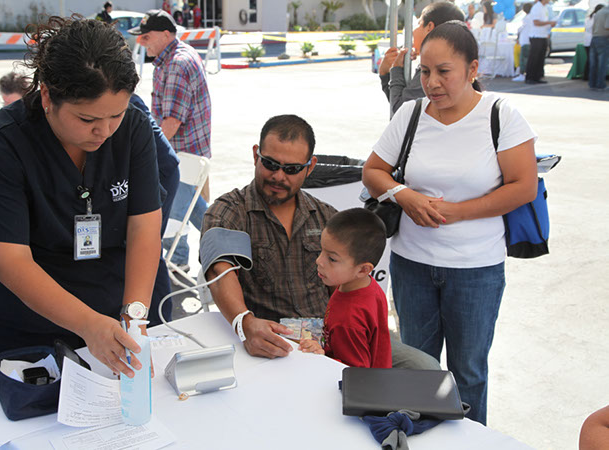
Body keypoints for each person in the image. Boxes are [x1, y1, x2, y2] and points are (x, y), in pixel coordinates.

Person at [0, 16, 165, 378]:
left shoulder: (132, 128)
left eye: (115, 114)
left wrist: (135, 316)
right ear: (47, 96)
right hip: (26, 318)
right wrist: (87, 324)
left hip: (116, 304)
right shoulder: (3, 141)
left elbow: (145, 228)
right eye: (86, 119)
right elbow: (11, 260)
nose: (103, 131)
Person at [362, 21, 538, 424]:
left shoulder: (502, 116)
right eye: (425, 71)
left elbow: (523, 187)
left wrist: (458, 211)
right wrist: (403, 195)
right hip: (413, 264)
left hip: (476, 270)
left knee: (469, 373)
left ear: (472, 69)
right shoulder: (410, 114)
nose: (432, 82)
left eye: (444, 71)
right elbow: (373, 171)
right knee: (418, 369)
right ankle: (419, 435)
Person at [201, 114, 440, 370]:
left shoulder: (327, 216)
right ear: (256, 155)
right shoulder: (229, 212)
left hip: (337, 336)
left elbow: (352, 287)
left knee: (425, 369)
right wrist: (244, 322)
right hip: (271, 341)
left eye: (292, 169)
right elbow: (219, 272)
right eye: (270, 164)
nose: (279, 176)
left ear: (310, 166)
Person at [130, 10, 211, 273]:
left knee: (175, 216)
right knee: (191, 214)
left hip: (182, 157)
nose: (142, 42)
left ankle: (182, 262)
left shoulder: (176, 64)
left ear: (166, 34)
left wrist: (146, 156)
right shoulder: (172, 58)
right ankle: (221, 251)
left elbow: (171, 123)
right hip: (188, 155)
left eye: (146, 37)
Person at [298, 208, 392, 370]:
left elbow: (355, 372)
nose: (319, 261)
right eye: (322, 250)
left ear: (363, 269)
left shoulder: (347, 320)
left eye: (332, 258)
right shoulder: (368, 285)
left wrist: (319, 357)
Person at [128, 94, 180, 322]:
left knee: (148, 246)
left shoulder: (130, 106)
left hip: (160, 173)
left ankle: (159, 322)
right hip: (153, 170)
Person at [379, 1, 465, 117]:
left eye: (419, 24)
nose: (413, 31)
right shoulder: (457, 62)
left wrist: (397, 69)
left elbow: (401, 113)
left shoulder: (433, 70)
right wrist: (385, 74)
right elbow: (399, 100)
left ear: (429, 27)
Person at [525, 0, 557, 84]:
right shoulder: (537, 7)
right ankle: (530, 77)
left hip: (543, 35)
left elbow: (544, 21)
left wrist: (550, 25)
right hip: (536, 36)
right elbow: (536, 22)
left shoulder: (545, 7)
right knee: (534, 58)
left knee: (541, 58)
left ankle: (537, 76)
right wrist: (549, 22)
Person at [588, 4, 609, 91]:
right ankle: (600, 84)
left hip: (594, 38)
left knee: (593, 64)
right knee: (602, 64)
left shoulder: (599, 12)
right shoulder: (608, 13)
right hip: (603, 39)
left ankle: (592, 83)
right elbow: (607, 26)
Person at [513, 2, 534, 82]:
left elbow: (520, 29)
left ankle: (522, 74)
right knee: (528, 58)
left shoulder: (526, 18)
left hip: (525, 41)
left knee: (523, 59)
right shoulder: (531, 17)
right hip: (529, 40)